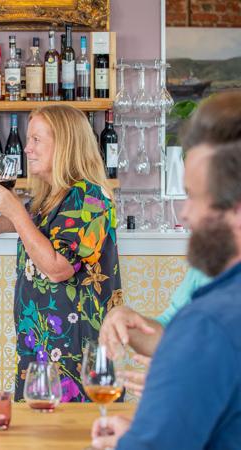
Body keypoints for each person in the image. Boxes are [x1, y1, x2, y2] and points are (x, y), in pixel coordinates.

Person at [0, 105, 122, 401]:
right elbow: (42, 229)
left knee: (71, 438)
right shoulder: (55, 194)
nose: (26, 148)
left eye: (36, 140)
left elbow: (57, 267)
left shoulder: (90, 197)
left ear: (65, 144)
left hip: (73, 348)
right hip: (41, 340)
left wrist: (15, 210)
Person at [91, 137, 241, 449]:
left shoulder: (210, 319)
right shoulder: (210, 288)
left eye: (193, 197)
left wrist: (178, 390)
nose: (184, 214)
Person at [99, 91, 241, 396]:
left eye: (194, 196)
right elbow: (176, 335)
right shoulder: (212, 263)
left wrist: (186, 382)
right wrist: (129, 322)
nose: (184, 213)